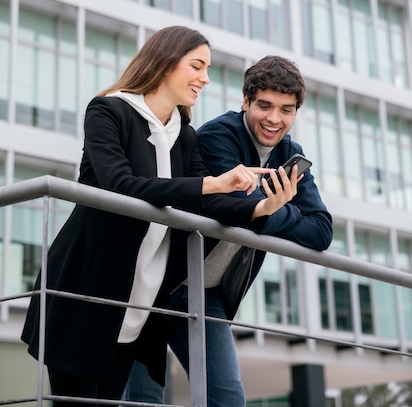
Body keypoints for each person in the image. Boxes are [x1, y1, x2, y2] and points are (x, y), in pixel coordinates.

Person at [21, 27, 294, 407]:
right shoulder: (108, 111)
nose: (205, 78)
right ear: (165, 63)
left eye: (208, 68)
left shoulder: (184, 135)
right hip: (83, 294)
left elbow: (207, 204)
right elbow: (121, 185)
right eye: (197, 66)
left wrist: (261, 208)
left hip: (138, 305)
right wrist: (212, 184)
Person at [123, 54, 333, 407]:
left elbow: (321, 232)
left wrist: (267, 210)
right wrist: (276, 208)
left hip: (209, 293)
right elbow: (236, 208)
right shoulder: (218, 136)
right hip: (161, 280)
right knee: (144, 396)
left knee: (227, 396)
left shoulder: (291, 153)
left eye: (286, 109)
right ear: (245, 101)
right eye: (264, 106)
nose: (274, 119)